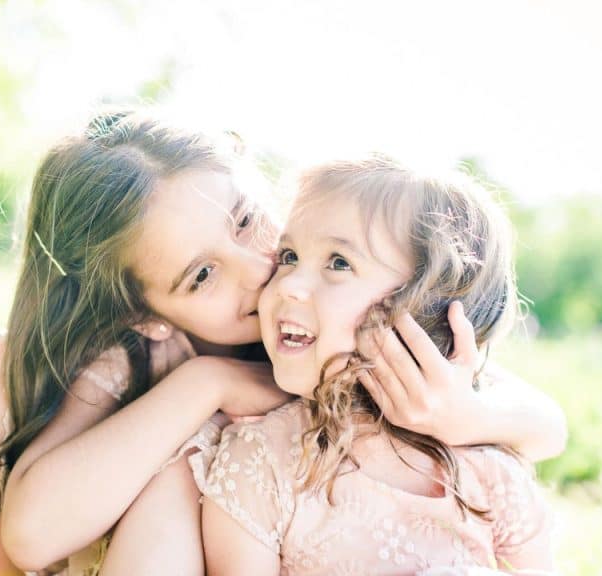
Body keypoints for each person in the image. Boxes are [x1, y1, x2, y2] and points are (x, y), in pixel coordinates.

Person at [0, 112, 565, 576]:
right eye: (201, 275)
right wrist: (208, 387)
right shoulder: (142, 356)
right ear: (148, 314)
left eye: (250, 220)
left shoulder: (342, 305)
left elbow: (543, 422)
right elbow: (33, 535)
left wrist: (463, 415)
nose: (262, 272)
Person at [200, 154, 554, 575]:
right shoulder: (261, 460)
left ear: (429, 306)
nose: (289, 284)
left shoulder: (488, 472)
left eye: (338, 263)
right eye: (290, 256)